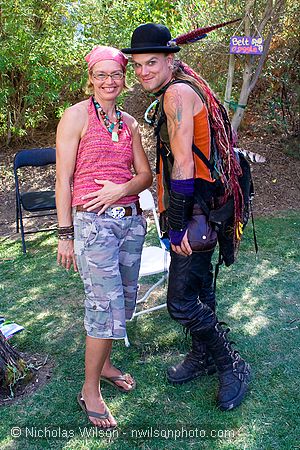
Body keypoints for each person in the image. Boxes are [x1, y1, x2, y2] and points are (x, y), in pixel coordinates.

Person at [120, 23, 251, 411]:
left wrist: (177, 224)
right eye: (138, 65)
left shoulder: (176, 93)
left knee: (179, 302)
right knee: (200, 290)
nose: (143, 72)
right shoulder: (183, 85)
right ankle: (203, 355)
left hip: (195, 210)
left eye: (151, 63)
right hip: (204, 206)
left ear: (170, 60)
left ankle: (231, 363)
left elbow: (182, 164)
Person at [56, 45, 152, 429]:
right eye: (102, 75)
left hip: (129, 222)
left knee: (124, 302)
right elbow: (62, 179)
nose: (109, 81)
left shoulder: (129, 123)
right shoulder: (75, 116)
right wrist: (65, 234)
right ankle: (90, 389)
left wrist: (121, 188)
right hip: (93, 226)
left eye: (116, 75)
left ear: (124, 79)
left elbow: (144, 176)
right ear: (90, 78)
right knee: (102, 306)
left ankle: (107, 363)